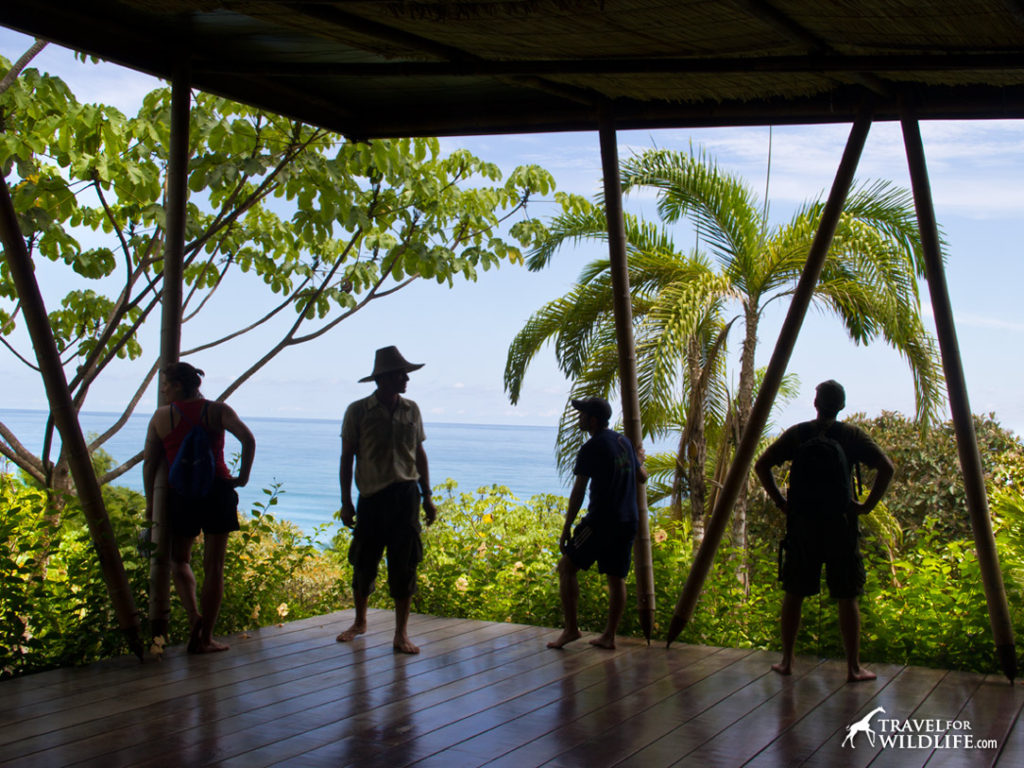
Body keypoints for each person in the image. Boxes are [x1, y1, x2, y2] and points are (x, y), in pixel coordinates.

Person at [754, 380, 894, 682]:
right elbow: (886, 467)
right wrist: (865, 506)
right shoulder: (851, 436)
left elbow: (762, 465)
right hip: (840, 527)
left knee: (794, 593)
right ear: (841, 406)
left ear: (815, 404)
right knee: (847, 596)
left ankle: (788, 661)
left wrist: (782, 502)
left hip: (803, 526)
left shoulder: (799, 434)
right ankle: (853, 667)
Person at [143, 362, 255, 654]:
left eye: (165, 384)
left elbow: (150, 463)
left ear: (178, 385)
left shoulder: (161, 416)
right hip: (217, 489)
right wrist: (241, 477)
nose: (163, 389)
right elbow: (248, 439)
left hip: (181, 495)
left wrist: (149, 503)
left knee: (180, 560)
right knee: (214, 567)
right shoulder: (217, 411)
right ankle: (205, 638)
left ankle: (194, 616)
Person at [336, 346, 437, 654]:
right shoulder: (357, 411)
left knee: (404, 565)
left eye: (405, 374)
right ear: (383, 379)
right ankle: (360, 621)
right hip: (372, 497)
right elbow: (347, 458)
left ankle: (401, 634)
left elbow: (419, 453)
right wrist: (345, 501)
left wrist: (427, 496)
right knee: (364, 563)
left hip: (405, 496)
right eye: (400, 374)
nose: (406, 379)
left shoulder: (412, 410)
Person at [547, 396, 647, 650]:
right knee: (616, 578)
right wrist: (639, 460)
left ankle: (571, 630)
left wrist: (567, 526)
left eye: (582, 415)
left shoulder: (591, 448)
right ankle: (609, 636)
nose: (578, 418)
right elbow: (642, 477)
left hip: (601, 522)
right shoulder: (623, 441)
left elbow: (579, 491)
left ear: (592, 420)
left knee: (566, 567)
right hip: (628, 520)